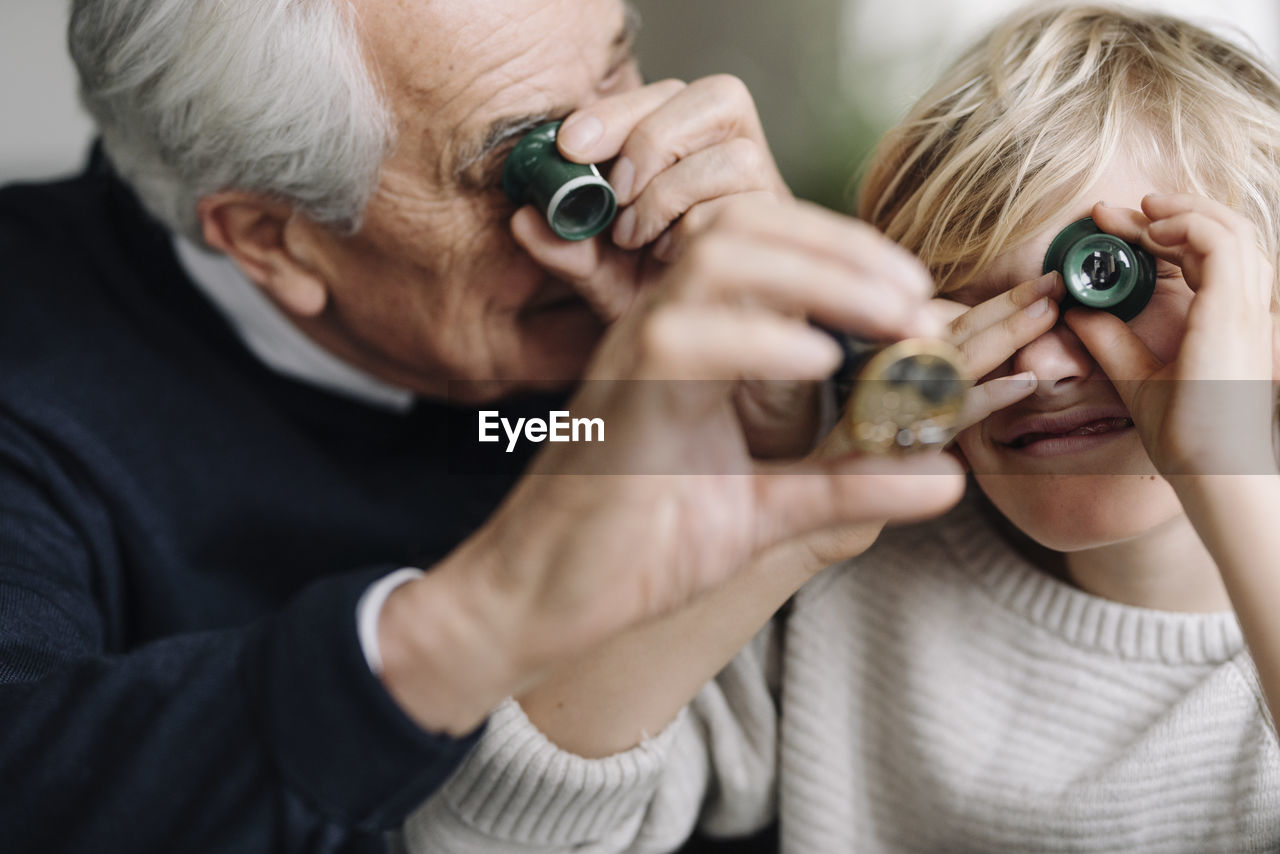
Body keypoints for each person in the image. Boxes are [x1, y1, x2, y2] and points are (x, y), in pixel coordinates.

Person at [0, 0, 965, 851]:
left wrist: (785, 427)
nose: (619, 196)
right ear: (273, 235)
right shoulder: (34, 371)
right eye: (525, 166)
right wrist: (480, 617)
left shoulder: (696, 291)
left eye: (618, 68)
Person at [403, 4, 1280, 852]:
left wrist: (1226, 466)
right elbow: (473, 835)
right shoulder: (863, 584)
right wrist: (813, 519)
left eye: (1115, 282)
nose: (1042, 369)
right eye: (974, 312)